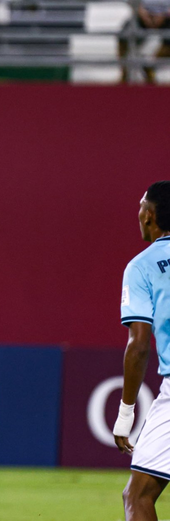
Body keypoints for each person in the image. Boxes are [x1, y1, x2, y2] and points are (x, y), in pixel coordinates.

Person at [112, 181, 170, 521]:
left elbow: (139, 345)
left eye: (140, 206)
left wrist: (125, 412)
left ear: (149, 216)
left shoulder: (142, 266)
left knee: (138, 495)